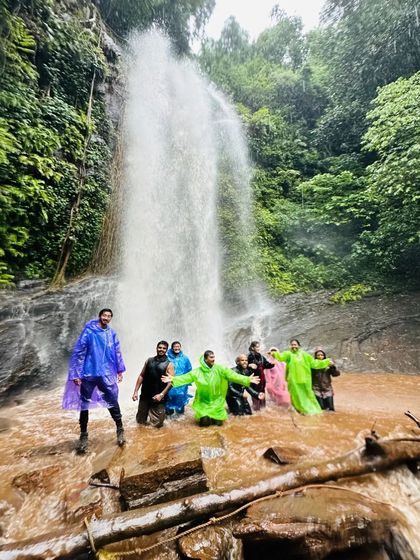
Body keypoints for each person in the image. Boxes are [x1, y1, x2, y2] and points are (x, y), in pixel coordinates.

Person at [62, 308, 126, 454]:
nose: (106, 318)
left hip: (106, 373)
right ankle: (83, 435)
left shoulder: (112, 333)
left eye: (109, 316)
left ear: (111, 318)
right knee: (84, 404)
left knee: (112, 400)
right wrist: (76, 373)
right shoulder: (89, 332)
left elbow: (117, 352)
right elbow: (79, 352)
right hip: (89, 374)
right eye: (104, 315)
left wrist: (119, 370)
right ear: (99, 316)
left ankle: (120, 429)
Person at [161, 350, 260, 426]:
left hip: (216, 401)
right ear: (205, 359)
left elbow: (232, 375)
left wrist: (247, 379)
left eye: (214, 357)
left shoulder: (220, 369)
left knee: (218, 424)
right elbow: (186, 378)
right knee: (204, 424)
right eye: (211, 357)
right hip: (203, 401)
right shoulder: (197, 372)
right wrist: (173, 379)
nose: (213, 359)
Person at [270, 339, 332, 415]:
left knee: (308, 396)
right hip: (293, 381)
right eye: (292, 345)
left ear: (299, 346)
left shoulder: (305, 355)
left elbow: (314, 363)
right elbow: (281, 357)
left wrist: (326, 361)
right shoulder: (288, 354)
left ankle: (314, 411)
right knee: (296, 397)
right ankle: (300, 411)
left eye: (295, 344)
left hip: (305, 380)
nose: (293, 346)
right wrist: (274, 353)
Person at [132, 341, 174, 428]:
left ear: (166, 350)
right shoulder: (149, 360)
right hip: (145, 396)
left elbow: (172, 382)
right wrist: (135, 391)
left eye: (164, 348)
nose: (161, 350)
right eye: (160, 347)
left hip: (158, 398)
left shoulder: (169, 364)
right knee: (140, 422)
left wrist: (161, 395)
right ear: (156, 348)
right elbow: (141, 376)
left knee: (157, 425)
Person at [165, 341, 192, 415]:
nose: (177, 348)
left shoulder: (185, 358)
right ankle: (169, 421)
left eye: (178, 346)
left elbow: (189, 370)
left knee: (180, 407)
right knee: (168, 406)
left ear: (180, 347)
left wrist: (187, 382)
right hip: (169, 383)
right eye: (175, 346)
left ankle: (180, 421)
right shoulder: (167, 357)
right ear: (172, 348)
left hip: (181, 385)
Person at [247, 341, 275, 411]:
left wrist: (273, 361)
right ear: (252, 348)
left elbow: (267, 365)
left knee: (262, 395)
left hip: (262, 380)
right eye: (257, 347)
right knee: (256, 395)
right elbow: (243, 366)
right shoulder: (249, 356)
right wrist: (249, 365)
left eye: (259, 347)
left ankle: (263, 411)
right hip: (254, 380)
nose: (258, 348)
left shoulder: (261, 357)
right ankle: (256, 412)